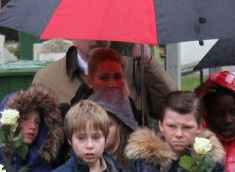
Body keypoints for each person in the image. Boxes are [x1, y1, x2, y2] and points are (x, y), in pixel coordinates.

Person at [31, 39, 174, 121]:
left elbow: (174, 108)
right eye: (91, 29)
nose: (99, 37)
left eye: (105, 28)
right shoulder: (47, 79)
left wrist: (148, 64)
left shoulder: (136, 68)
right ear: (74, 38)